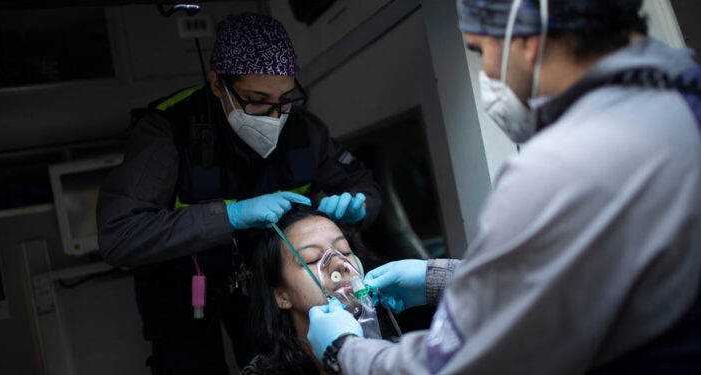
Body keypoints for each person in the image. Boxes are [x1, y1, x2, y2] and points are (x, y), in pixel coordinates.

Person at [305, 0, 701, 374]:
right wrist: (440, 278)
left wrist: (345, 350)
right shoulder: (679, 104)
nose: (489, 74)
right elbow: (585, 274)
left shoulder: (562, 169)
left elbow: (457, 367)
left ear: (526, 41)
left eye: (480, 52)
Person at [97, 12, 382, 375]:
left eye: (285, 99)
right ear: (217, 84)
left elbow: (364, 186)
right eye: (257, 100)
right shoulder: (167, 132)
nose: (274, 115)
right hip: (182, 285)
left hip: (261, 286)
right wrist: (230, 217)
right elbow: (118, 235)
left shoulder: (304, 130)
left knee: (278, 362)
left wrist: (361, 206)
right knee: (188, 364)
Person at [241, 205, 380, 375]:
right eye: (312, 260)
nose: (340, 264)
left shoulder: (398, 351)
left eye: (345, 250)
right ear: (281, 295)